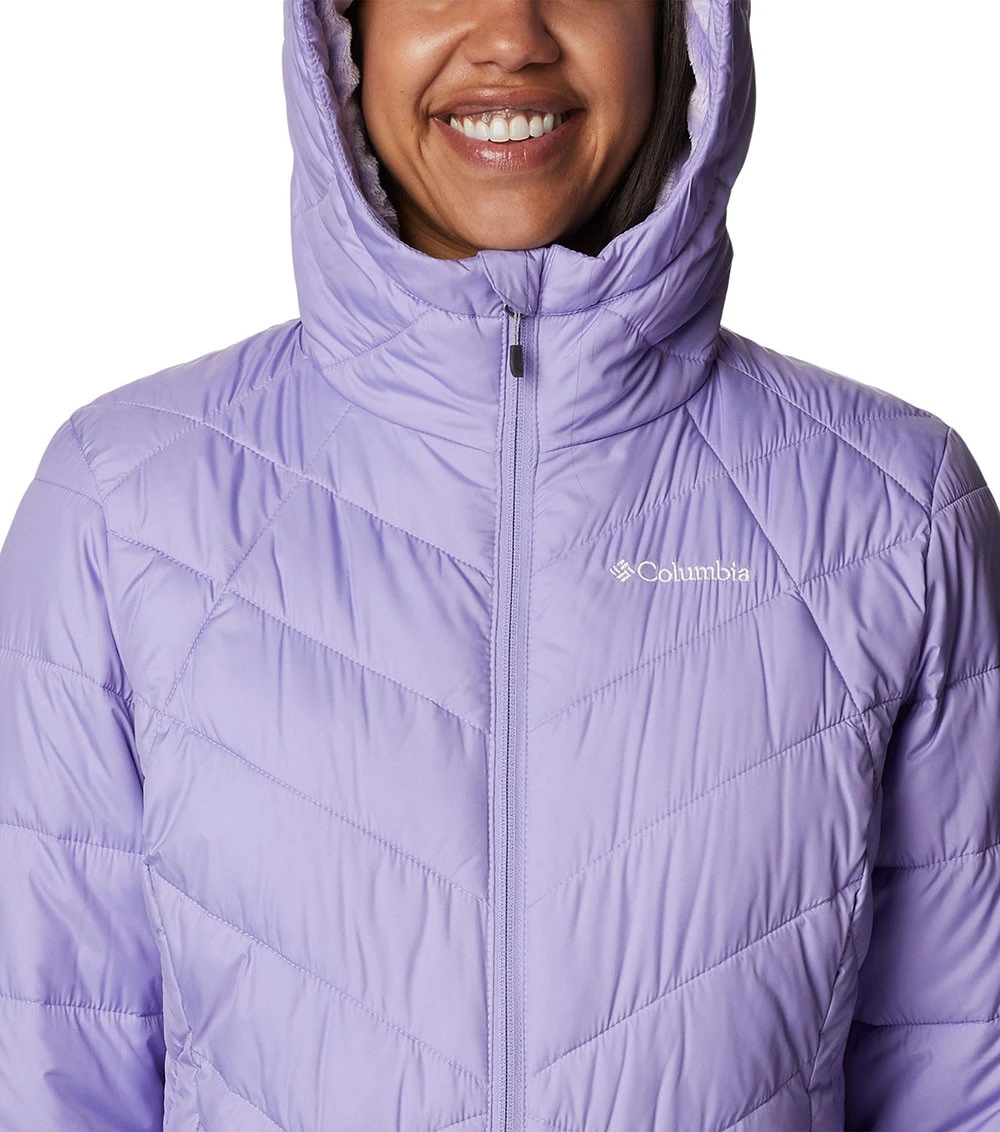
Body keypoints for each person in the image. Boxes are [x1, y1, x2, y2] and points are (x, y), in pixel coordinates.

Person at [1, 1, 998, 1129]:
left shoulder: (894, 514)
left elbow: (961, 1078)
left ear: (679, 25)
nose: (511, 36)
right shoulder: (123, 509)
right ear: (344, 32)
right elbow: (49, 1078)